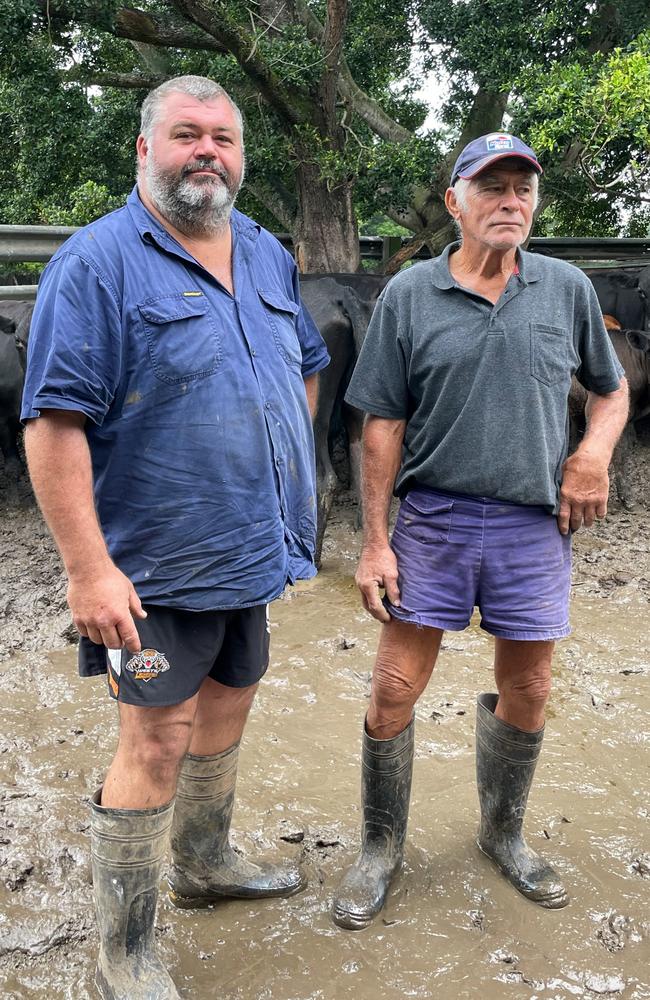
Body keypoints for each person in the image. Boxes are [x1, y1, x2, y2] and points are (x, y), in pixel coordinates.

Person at [21, 75, 329, 998]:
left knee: (230, 704)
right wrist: (88, 570)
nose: (209, 152)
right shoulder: (96, 263)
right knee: (154, 740)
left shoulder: (267, 253)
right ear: (146, 149)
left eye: (224, 138)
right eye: (187, 134)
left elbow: (305, 369)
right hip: (151, 568)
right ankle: (126, 948)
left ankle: (204, 864)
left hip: (252, 549)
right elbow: (53, 423)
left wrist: (279, 470)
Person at [332, 133, 629, 930]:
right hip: (434, 521)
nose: (510, 202)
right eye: (490, 187)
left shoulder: (565, 288)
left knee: (530, 686)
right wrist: (374, 540)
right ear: (455, 201)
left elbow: (611, 390)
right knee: (394, 685)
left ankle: (503, 833)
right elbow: (381, 424)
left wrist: (594, 453)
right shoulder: (409, 295)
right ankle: (380, 847)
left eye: (522, 189)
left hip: (535, 524)